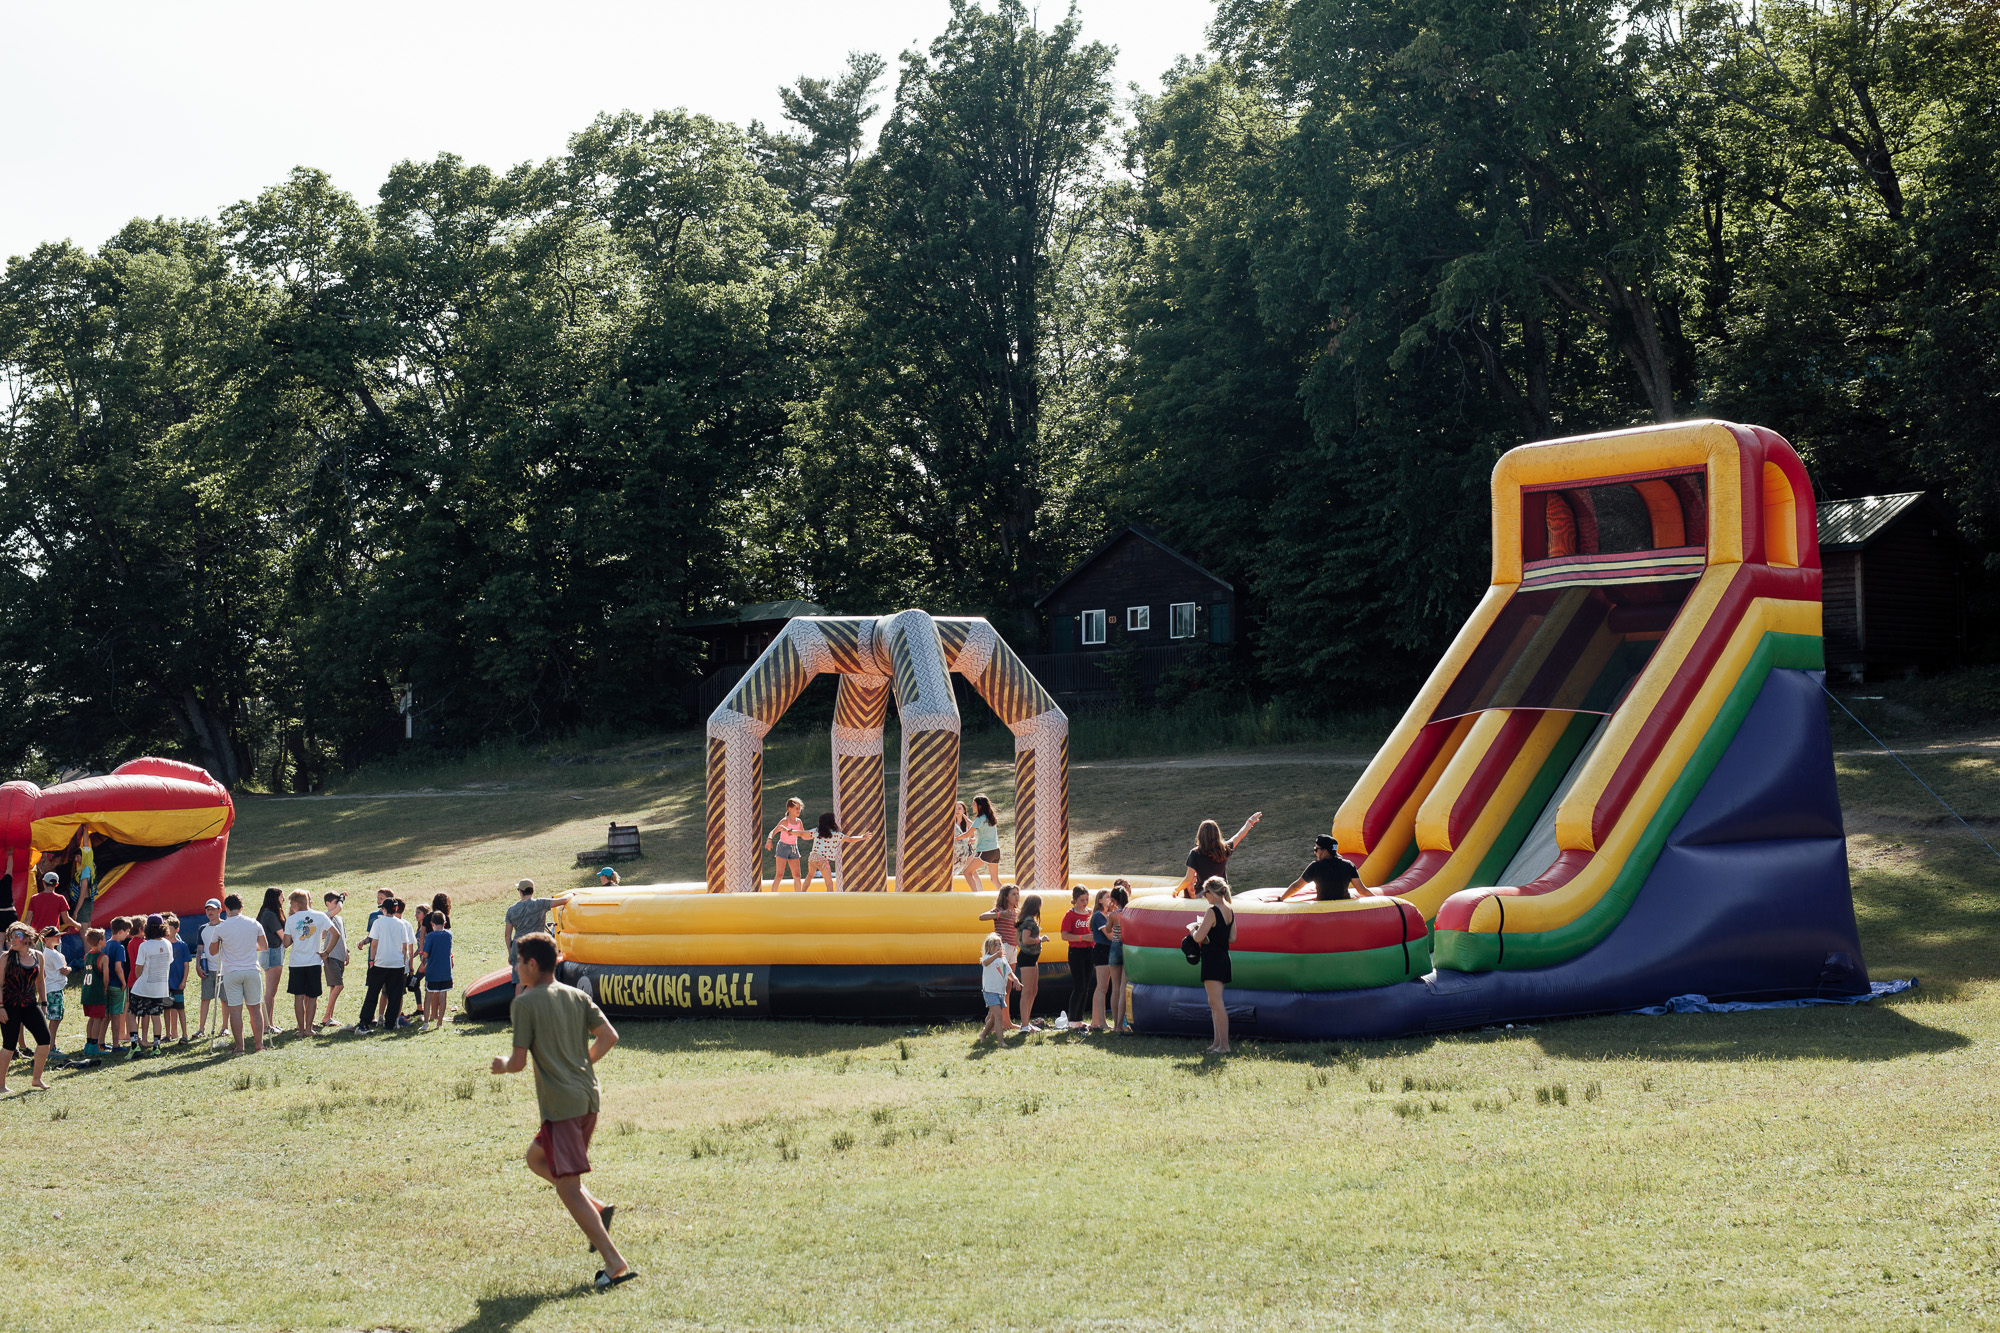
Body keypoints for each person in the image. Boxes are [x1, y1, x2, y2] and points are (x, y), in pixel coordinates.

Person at [492, 932, 635, 1289]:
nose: (516, 967)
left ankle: (615, 1263)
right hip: (588, 1098)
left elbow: (520, 1062)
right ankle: (598, 1209)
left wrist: (502, 1064)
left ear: (532, 964)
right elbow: (609, 1037)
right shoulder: (577, 995)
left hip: (563, 1106)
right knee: (536, 1158)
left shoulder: (524, 1004)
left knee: (568, 1189)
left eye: (518, 961)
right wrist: (580, 1065)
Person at [206, 894, 268, 1054]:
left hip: (231, 971)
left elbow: (212, 952)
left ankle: (240, 1047)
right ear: (242, 907)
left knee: (235, 1009)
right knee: (255, 1008)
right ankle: (259, 1045)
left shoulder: (221, 928)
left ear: (225, 909)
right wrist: (248, 947)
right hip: (251, 970)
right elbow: (263, 946)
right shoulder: (254, 923)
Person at [0, 923, 53, 1092]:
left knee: (45, 1039)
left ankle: (36, 1079)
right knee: (9, 1045)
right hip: (9, 1006)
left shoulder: (38, 955)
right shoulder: (6, 958)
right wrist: (0, 1008)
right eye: (11, 937)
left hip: (30, 1004)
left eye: (17, 936)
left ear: (27, 938)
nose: (13, 940)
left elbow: (40, 981)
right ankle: (1, 1085)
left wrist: (43, 1002)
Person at [1188, 877, 1236, 1054]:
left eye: (1205, 893)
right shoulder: (1230, 909)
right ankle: (1217, 1043)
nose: (1205, 897)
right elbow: (1232, 937)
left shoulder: (1212, 911)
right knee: (1214, 1002)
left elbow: (1199, 937)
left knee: (1217, 1003)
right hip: (1223, 957)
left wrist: (1193, 929)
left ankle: (1224, 1045)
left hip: (1212, 958)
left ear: (1212, 893)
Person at [281, 890, 334, 1038]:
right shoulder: (319, 916)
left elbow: (285, 943)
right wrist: (326, 952)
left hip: (297, 962)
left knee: (298, 996)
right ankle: (309, 1028)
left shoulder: (291, 919)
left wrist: (295, 936)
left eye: (291, 903)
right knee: (312, 996)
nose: (290, 906)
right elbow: (335, 933)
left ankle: (301, 1029)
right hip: (314, 962)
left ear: (298, 903)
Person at [358, 898, 414, 1034]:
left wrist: (371, 960)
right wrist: (403, 960)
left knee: (373, 993)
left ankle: (364, 1022)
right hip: (397, 964)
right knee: (394, 995)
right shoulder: (401, 924)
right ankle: (390, 1024)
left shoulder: (378, 923)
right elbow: (405, 946)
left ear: (384, 909)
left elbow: (374, 944)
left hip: (380, 963)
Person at [1176, 814, 1262, 897]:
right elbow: (1239, 835)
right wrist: (1250, 822)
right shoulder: (1224, 849)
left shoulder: (1195, 853)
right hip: (1222, 892)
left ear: (1200, 835)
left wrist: (1176, 890)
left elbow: (1188, 880)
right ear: (1217, 834)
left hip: (1204, 893)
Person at [1278, 834, 1370, 902]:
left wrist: (1280, 899)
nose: (1315, 853)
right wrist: (1382, 901)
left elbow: (1296, 887)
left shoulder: (1315, 867)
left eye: (1316, 849)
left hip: (1323, 910)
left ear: (1325, 851)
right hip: (1345, 909)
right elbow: (1362, 891)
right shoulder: (1349, 865)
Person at [128, 916, 172, 1055]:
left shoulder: (145, 945)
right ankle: (156, 1047)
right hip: (161, 988)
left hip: (144, 986)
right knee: (156, 1016)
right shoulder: (167, 944)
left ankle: (134, 1045)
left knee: (131, 1013)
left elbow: (138, 968)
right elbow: (169, 962)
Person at [804, 813, 867, 893]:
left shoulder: (817, 831)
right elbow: (850, 839)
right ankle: (830, 900)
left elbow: (802, 833)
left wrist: (790, 831)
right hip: (822, 859)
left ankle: (802, 893)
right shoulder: (836, 834)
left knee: (810, 875)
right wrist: (862, 837)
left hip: (812, 857)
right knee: (829, 883)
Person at [1060, 887, 1095, 1027]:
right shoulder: (1070, 915)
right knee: (1079, 986)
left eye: (1087, 899)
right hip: (1076, 952)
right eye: (1082, 900)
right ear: (1075, 899)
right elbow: (1064, 935)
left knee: (1086, 986)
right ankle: (1072, 1018)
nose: (1085, 903)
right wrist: (1082, 937)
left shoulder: (1091, 913)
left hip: (1090, 950)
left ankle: (1079, 1019)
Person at [190, 899, 224, 1039]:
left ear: (219, 910)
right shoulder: (202, 928)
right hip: (207, 968)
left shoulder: (225, 926)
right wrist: (198, 966)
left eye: (213, 909)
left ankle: (225, 1027)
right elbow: (199, 949)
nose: (210, 912)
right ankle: (201, 1028)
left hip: (223, 968)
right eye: (207, 909)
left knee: (224, 999)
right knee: (205, 998)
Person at [256, 888, 286, 1034]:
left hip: (272, 952)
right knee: (270, 991)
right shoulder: (270, 914)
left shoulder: (266, 913)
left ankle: (270, 1023)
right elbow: (284, 938)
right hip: (272, 952)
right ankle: (266, 1025)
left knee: (271, 991)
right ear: (275, 899)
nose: (283, 900)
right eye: (281, 897)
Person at [506, 879, 556, 965]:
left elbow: (507, 934)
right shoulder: (541, 903)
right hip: (537, 945)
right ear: (532, 891)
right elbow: (564, 900)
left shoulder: (511, 910)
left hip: (518, 946)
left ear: (520, 891)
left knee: (517, 977)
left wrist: (510, 952)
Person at [977, 932, 1016, 1040]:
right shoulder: (988, 957)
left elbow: (1009, 972)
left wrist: (1016, 980)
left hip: (1000, 992)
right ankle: (1000, 1041)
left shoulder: (1003, 959)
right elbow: (986, 962)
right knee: (999, 1016)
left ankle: (983, 1034)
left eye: (1000, 944)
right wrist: (996, 956)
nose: (999, 947)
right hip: (990, 991)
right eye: (996, 945)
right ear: (989, 946)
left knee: (994, 1018)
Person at [318, 893, 349, 1028]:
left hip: (340, 956)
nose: (338, 904)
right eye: (335, 902)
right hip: (331, 956)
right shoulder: (326, 916)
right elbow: (339, 908)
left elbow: (343, 936)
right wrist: (341, 897)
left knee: (333, 987)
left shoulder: (339, 918)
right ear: (328, 903)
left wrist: (347, 952)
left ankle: (329, 1017)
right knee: (339, 986)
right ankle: (326, 1016)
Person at [418, 911, 453, 1029]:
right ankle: (439, 1023)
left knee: (428, 996)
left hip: (433, 971)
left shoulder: (431, 936)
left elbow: (426, 953)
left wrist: (423, 958)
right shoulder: (449, 935)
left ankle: (426, 1023)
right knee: (443, 996)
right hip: (446, 971)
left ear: (432, 923)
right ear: (444, 923)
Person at [1015, 894, 1045, 1031]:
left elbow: (1018, 940)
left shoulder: (1025, 919)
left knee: (1033, 990)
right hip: (1027, 958)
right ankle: (1025, 1025)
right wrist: (1039, 940)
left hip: (1031, 957)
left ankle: (1027, 1022)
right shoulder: (1028, 921)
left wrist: (1026, 948)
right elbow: (1025, 940)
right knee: (1027, 991)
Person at [38, 926, 68, 1059]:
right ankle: (51, 1047)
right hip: (54, 988)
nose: (59, 938)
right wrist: (70, 968)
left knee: (56, 1018)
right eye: (56, 936)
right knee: (55, 1019)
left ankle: (51, 1045)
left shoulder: (47, 952)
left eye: (59, 935)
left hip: (53, 988)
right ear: (47, 939)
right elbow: (63, 970)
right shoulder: (52, 953)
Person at [964, 794, 1002, 898]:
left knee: (967, 873)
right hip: (995, 851)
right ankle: (1007, 899)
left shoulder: (979, 819)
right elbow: (979, 828)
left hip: (985, 851)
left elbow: (967, 833)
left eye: (973, 804)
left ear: (979, 806)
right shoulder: (990, 817)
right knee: (994, 879)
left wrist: (956, 838)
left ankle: (976, 897)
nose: (972, 806)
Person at [765, 798, 807, 893]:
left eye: (799, 808)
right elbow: (774, 831)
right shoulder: (785, 821)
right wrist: (769, 840)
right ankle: (773, 896)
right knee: (779, 874)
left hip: (793, 848)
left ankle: (798, 897)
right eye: (796, 808)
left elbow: (803, 835)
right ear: (789, 809)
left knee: (797, 875)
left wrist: (814, 836)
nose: (798, 810)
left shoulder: (799, 822)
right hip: (783, 847)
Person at [103, 917, 131, 1053]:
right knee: (116, 1016)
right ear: (120, 931)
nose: (127, 935)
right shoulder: (119, 947)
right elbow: (118, 967)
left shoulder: (106, 944)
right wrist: (124, 982)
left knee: (106, 1015)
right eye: (126, 932)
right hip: (116, 984)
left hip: (106, 984)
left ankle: (100, 1042)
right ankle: (115, 1045)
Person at [1087, 890, 1115, 1033]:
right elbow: (1109, 936)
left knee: (1103, 987)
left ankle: (1096, 1021)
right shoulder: (1099, 916)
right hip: (1102, 951)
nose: (1110, 899)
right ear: (1100, 900)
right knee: (1102, 987)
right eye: (1107, 897)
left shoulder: (1107, 915)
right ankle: (1101, 1022)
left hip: (1108, 952)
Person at [1106, 882, 1131, 1032]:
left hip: (1115, 947)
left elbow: (1108, 930)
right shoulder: (1129, 913)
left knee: (1115, 988)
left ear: (1113, 900)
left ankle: (1115, 1024)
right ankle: (1122, 1024)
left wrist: (1110, 910)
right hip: (1127, 948)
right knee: (1123, 988)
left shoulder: (1113, 915)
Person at [163, 914, 192, 1044]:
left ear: (176, 930)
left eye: (170, 929)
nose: (168, 932)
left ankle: (184, 1034)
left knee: (180, 1008)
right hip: (165, 983)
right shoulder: (163, 945)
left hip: (178, 982)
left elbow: (186, 965)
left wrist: (184, 981)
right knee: (166, 1008)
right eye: (166, 929)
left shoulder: (182, 945)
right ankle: (168, 1034)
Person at [26, 871, 78, 941]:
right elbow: (66, 920)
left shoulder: (34, 898)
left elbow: (27, 919)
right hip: (53, 937)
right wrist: (78, 925)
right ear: (57, 884)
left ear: (43, 883)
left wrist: (26, 935)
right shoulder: (60, 899)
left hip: (37, 937)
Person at [79, 928, 107, 1056]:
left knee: (91, 1018)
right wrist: (105, 987)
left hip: (87, 991)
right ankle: (95, 1046)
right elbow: (105, 976)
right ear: (100, 941)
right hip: (97, 991)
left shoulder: (87, 955)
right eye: (104, 938)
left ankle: (88, 1043)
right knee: (98, 1019)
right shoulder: (103, 957)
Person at [978, 884, 1020, 970]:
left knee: (1011, 977)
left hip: (1013, 947)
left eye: (1017, 893)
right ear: (1006, 897)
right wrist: (999, 914)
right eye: (1013, 894)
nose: (1017, 896)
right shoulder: (1000, 910)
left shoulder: (1017, 912)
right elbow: (982, 917)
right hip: (1003, 946)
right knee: (1004, 976)